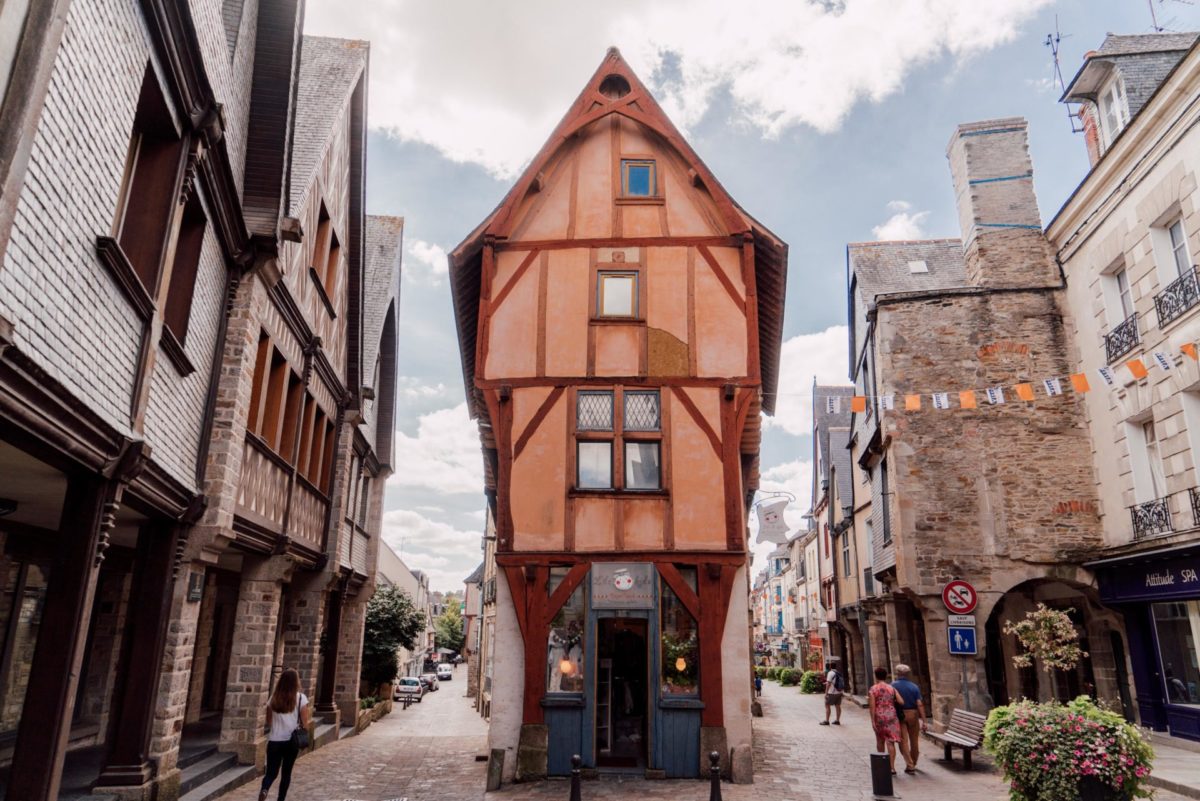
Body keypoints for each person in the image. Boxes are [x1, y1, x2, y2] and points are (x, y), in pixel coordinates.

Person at [259, 668, 311, 801]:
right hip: (291, 741)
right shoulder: (301, 699)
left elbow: (269, 720)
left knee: (271, 772)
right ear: (296, 682)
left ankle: (264, 789)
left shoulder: (273, 698)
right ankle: (280, 799)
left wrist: (278, 725)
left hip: (275, 740)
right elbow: (305, 723)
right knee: (286, 773)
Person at [892, 663, 927, 774]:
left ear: (897, 673)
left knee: (903, 741)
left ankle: (909, 764)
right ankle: (914, 762)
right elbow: (919, 704)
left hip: (900, 714)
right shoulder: (914, 686)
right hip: (913, 713)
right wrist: (924, 720)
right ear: (908, 674)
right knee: (914, 740)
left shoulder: (892, 686)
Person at [868, 667, 903, 775]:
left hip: (880, 717)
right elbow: (901, 701)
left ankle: (882, 765)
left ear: (876, 676)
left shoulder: (873, 689)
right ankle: (892, 768)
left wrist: (872, 720)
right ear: (886, 675)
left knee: (880, 741)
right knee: (891, 742)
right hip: (892, 716)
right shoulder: (891, 688)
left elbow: (872, 706)